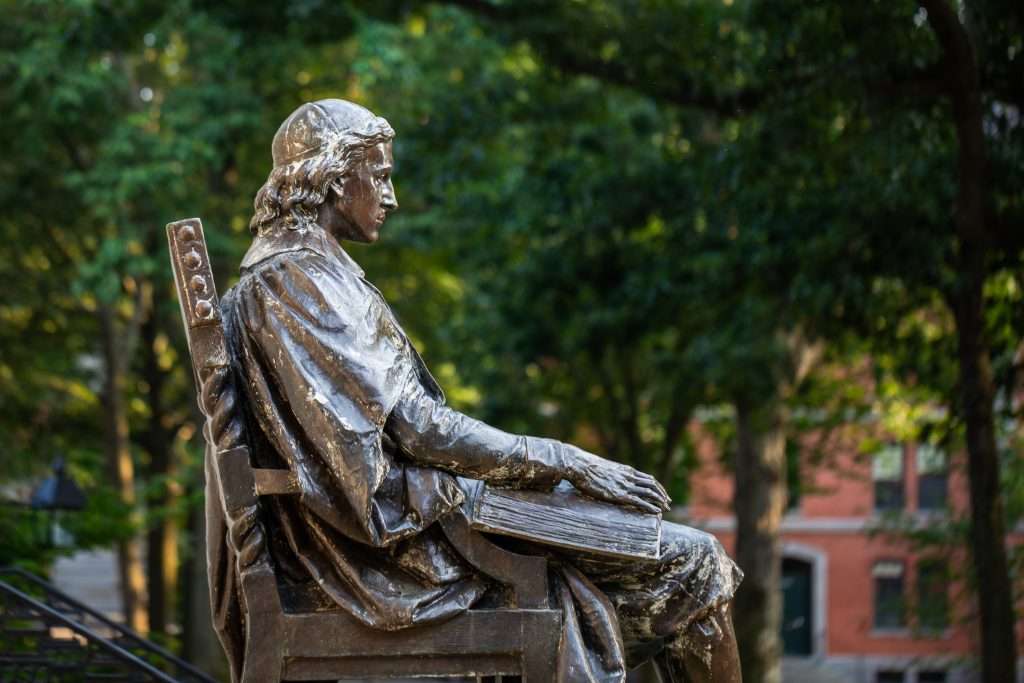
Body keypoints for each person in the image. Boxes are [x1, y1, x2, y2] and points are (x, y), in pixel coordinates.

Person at [220, 99, 743, 683]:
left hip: (408, 528)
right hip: (399, 552)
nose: (391, 198)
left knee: (644, 579)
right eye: (382, 176)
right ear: (335, 177)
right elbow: (415, 426)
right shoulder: (300, 279)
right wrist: (563, 459)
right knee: (697, 564)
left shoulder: (300, 275)